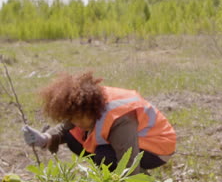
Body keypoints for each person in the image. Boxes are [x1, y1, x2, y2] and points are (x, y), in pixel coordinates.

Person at [22, 71, 176, 173]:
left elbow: (129, 161)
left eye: (79, 118)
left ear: (91, 110)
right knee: (72, 138)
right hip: (133, 144)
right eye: (71, 118)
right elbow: (67, 127)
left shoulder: (120, 118)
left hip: (157, 149)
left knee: (104, 156)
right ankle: (113, 176)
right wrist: (46, 138)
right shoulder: (87, 103)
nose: (76, 123)